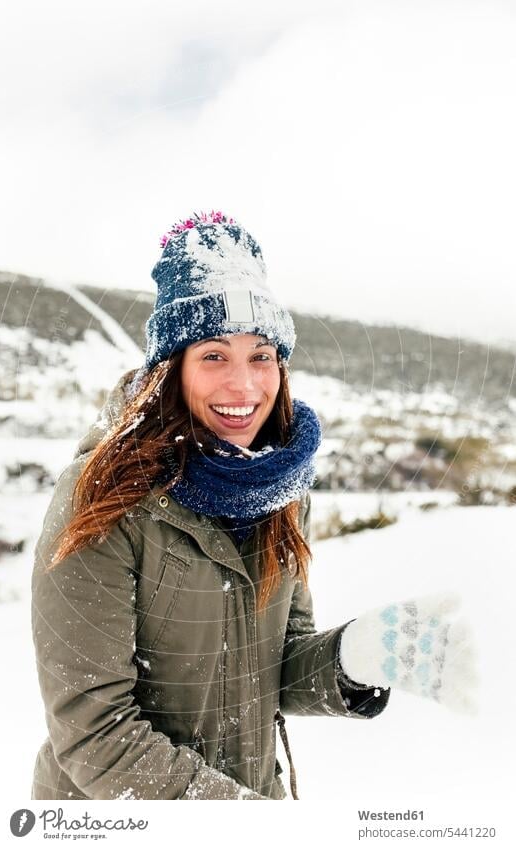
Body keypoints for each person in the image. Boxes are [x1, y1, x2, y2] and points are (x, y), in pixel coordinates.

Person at [30, 210, 478, 801]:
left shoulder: (278, 491)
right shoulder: (104, 499)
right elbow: (94, 734)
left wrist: (353, 658)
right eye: (214, 355)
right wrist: (247, 822)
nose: (244, 387)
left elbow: (274, 665)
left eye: (261, 355)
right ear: (172, 368)